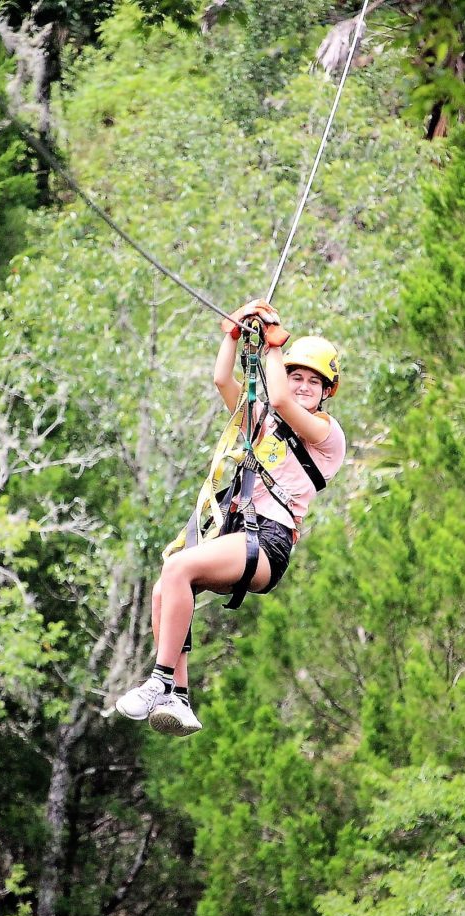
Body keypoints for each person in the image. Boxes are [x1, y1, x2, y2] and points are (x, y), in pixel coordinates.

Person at [115, 300, 346, 736]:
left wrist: (273, 346)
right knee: (167, 584)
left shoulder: (327, 435)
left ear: (326, 393)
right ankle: (177, 698)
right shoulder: (261, 421)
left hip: (268, 543)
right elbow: (223, 380)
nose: (300, 387)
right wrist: (234, 334)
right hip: (238, 534)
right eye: (296, 375)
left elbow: (277, 395)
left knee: (179, 565)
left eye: (312, 382)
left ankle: (159, 679)